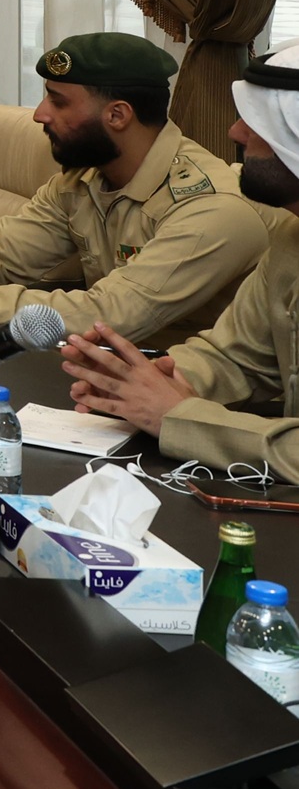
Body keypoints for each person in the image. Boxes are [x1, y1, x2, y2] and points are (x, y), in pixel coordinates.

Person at [0, 33, 269, 339]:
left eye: (58, 102)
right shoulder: (82, 179)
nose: (39, 115)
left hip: (196, 395)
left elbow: (112, 314)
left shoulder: (210, 207)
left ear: (117, 115)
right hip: (106, 370)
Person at [61, 41, 299, 476]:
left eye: (256, 122)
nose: (235, 134)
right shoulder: (291, 237)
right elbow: (235, 356)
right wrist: (147, 383)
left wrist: (178, 415)